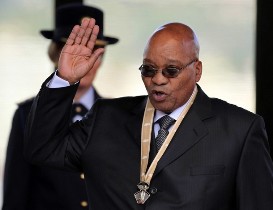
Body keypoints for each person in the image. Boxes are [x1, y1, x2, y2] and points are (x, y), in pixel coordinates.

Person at [24, 17, 273, 210]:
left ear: (196, 70)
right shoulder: (106, 118)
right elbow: (42, 149)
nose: (158, 80)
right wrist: (64, 79)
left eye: (171, 70)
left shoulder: (240, 130)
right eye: (148, 69)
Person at [2, 4, 118, 210]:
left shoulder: (115, 116)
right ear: (56, 54)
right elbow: (15, 194)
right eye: (74, 50)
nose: (85, 59)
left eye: (93, 51)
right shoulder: (28, 114)